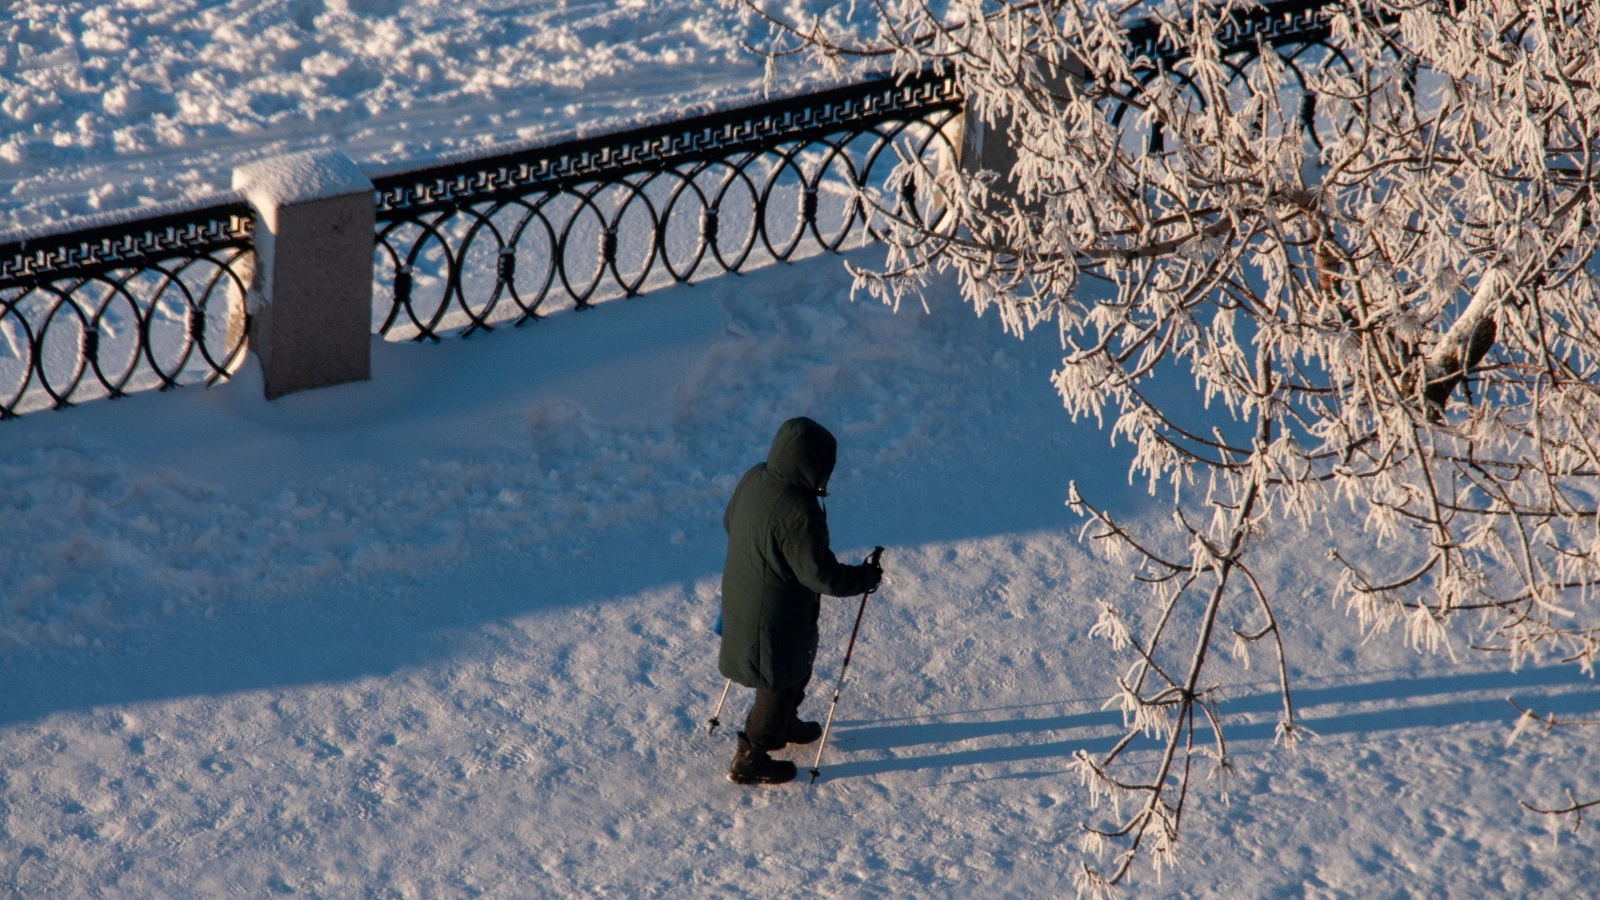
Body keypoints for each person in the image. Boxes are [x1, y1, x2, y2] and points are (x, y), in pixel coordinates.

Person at [718, 417, 883, 785]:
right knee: (777, 679)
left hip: (745, 592)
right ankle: (751, 756)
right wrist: (865, 577)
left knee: (794, 664)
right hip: (774, 612)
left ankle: (784, 722)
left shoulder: (755, 476)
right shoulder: (799, 512)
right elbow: (821, 576)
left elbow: (730, 522)